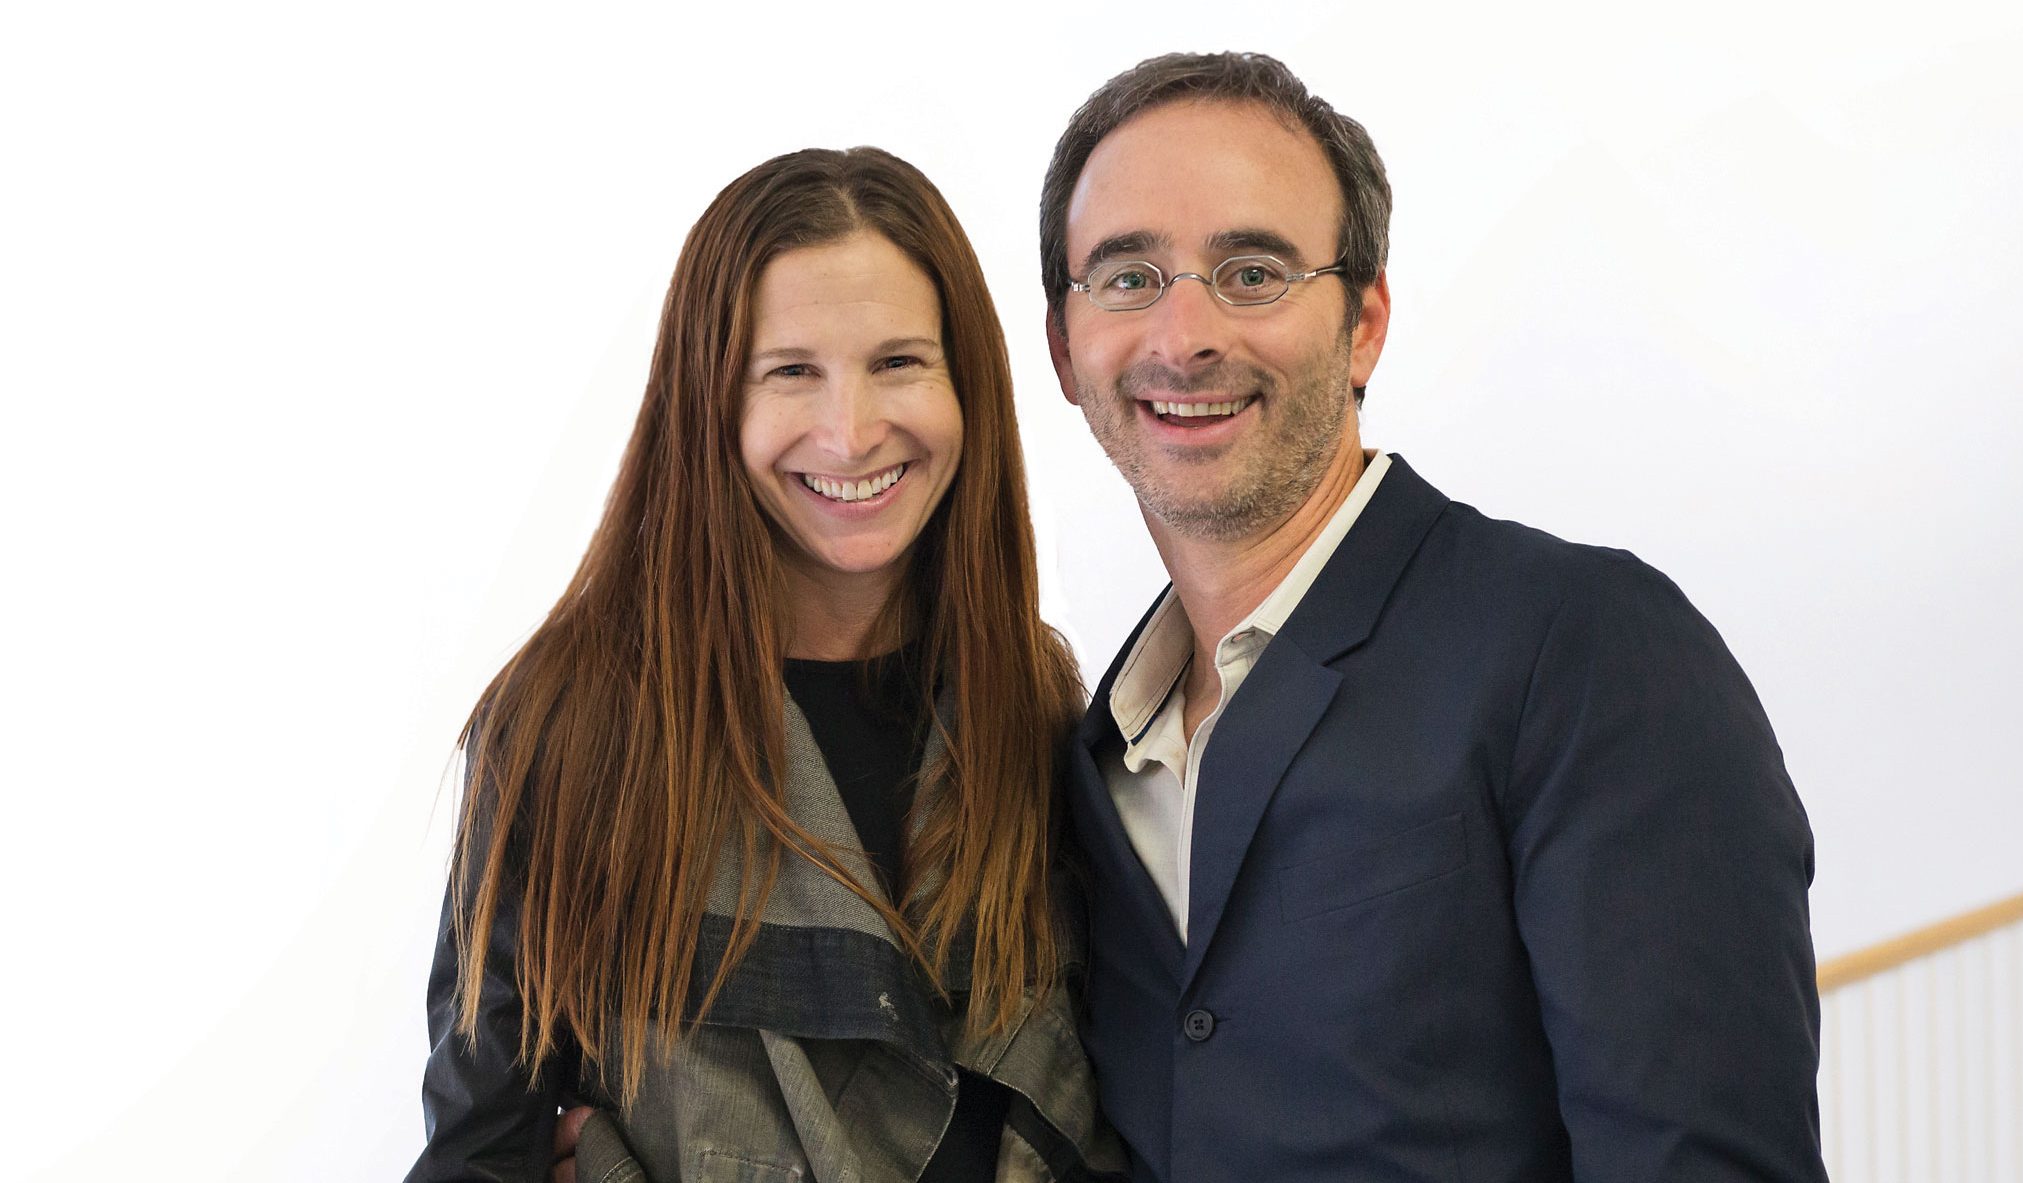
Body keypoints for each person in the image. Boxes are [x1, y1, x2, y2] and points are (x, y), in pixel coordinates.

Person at [1039, 53, 1827, 1181]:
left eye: (1253, 272)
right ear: (1065, 350)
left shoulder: (1585, 649)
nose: (1183, 335)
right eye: (1128, 278)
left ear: (1363, 323)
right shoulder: (1092, 758)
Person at [407, 147, 1123, 1183]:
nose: (852, 432)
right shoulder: (573, 725)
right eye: (791, 371)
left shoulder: (1033, 703)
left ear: (967, 384)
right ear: (710, 400)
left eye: (898, 362)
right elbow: (479, 1153)